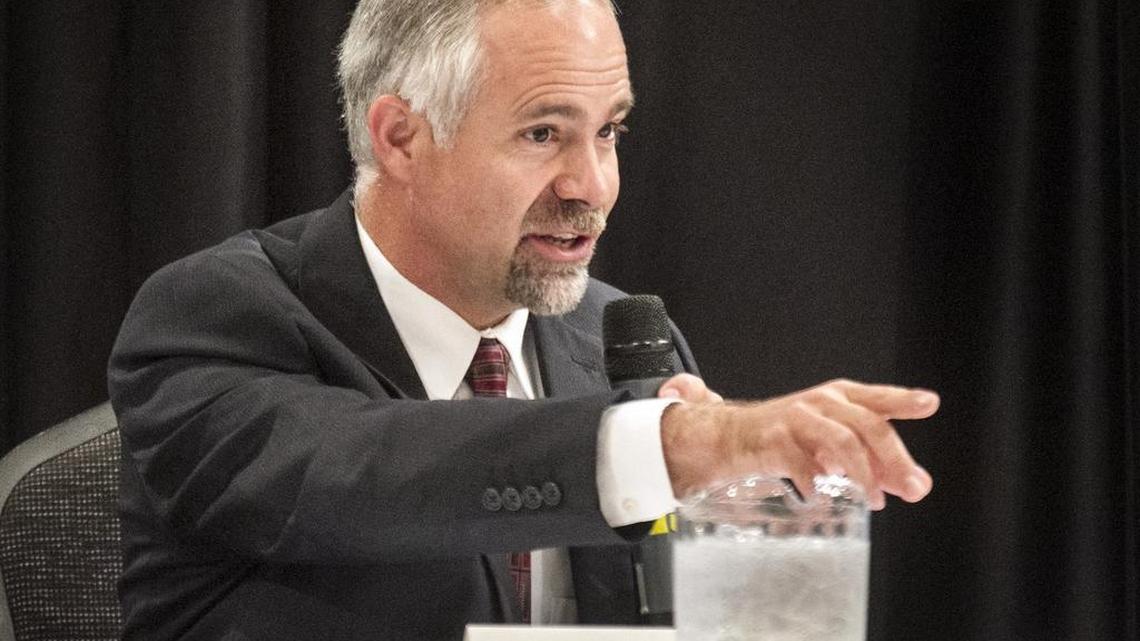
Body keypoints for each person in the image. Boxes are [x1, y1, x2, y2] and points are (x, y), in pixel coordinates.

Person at [108, 0, 939, 639]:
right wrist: (670, 445)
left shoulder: (616, 341)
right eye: (544, 133)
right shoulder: (218, 319)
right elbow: (366, 471)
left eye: (608, 131)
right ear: (401, 137)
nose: (593, 185)